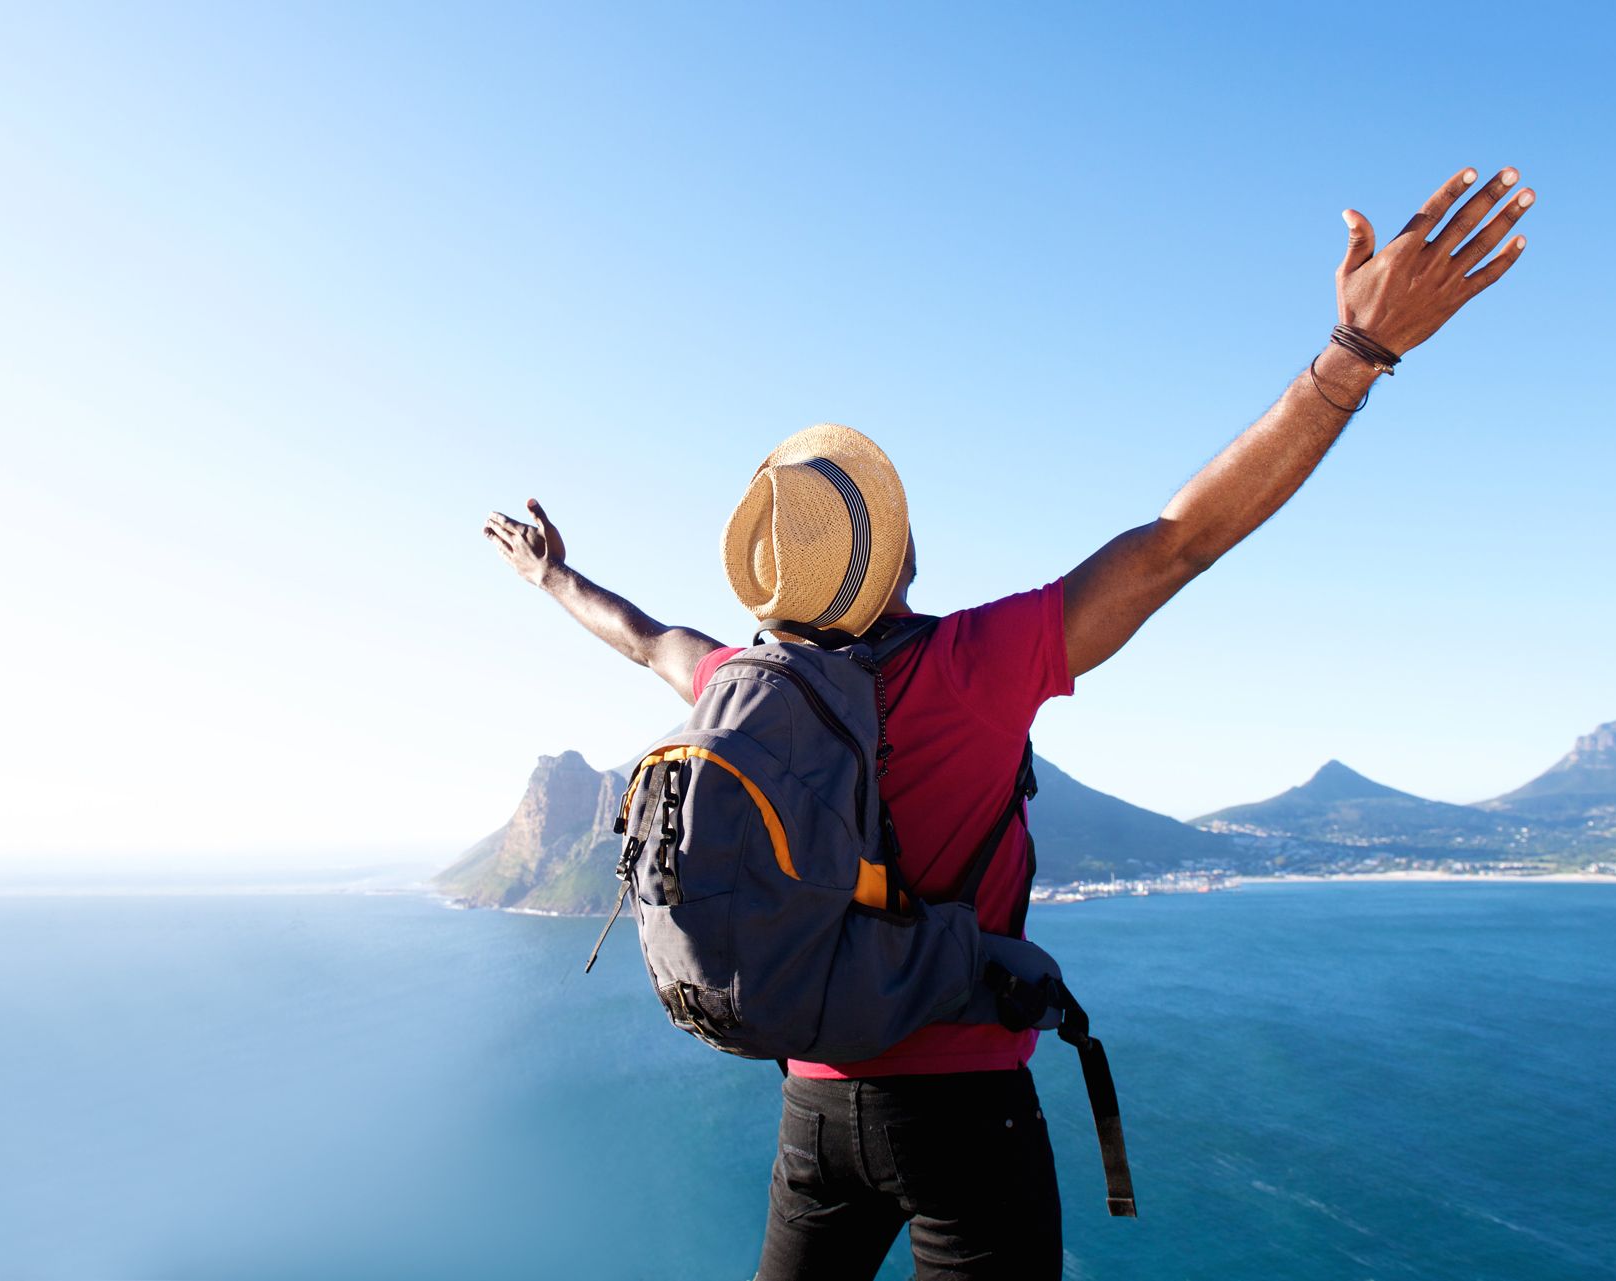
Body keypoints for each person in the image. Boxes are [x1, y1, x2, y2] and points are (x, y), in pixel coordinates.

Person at [482, 164, 1535, 1281]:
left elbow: (646, 634)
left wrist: (552, 579)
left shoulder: (741, 684)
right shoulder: (976, 664)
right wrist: (1353, 356)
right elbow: (1183, 538)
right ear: (898, 554)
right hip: (964, 1112)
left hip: (814, 1112)